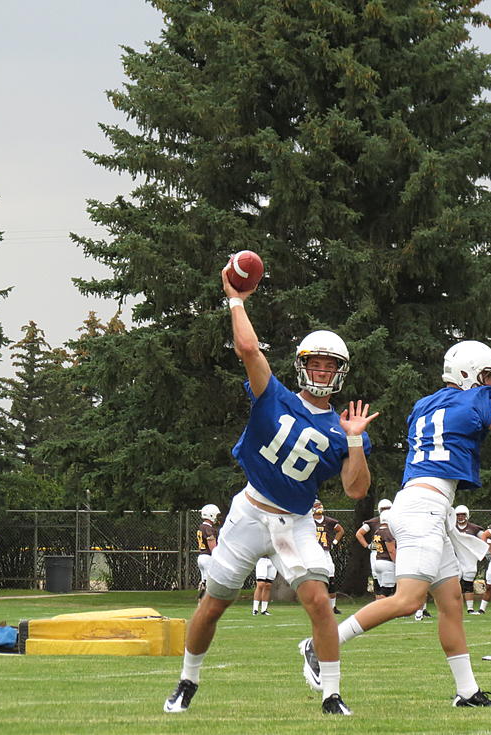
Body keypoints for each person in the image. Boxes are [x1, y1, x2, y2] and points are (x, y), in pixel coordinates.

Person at [301, 340, 491, 708]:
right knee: (407, 600)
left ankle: (467, 691)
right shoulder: (473, 401)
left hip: (425, 503)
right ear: (466, 373)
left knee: (450, 602)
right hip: (424, 508)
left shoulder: (423, 405)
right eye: (487, 376)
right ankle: (321, 643)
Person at [164, 268, 379, 716]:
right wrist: (236, 300)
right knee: (213, 604)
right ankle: (188, 680)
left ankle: (332, 694)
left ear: (340, 373)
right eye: (316, 362)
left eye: (330, 365)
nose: (322, 371)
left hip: (295, 522)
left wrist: (356, 440)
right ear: (302, 364)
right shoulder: (273, 394)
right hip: (248, 511)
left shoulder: (343, 429)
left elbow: (356, 488)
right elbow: (247, 347)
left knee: (320, 601)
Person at [313, 500, 345, 614]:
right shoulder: (308, 522)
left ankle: (333, 607)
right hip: (313, 553)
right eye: (316, 506)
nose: (319, 507)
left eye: (320, 505)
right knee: (316, 580)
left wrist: (334, 542)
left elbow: (340, 530)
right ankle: (318, 606)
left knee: (331, 579)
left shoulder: (329, 521)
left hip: (325, 552)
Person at [356, 498, 391, 597]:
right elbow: (359, 533)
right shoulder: (373, 522)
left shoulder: (395, 521)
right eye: (385, 508)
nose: (387, 511)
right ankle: (379, 602)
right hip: (378, 553)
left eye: (389, 508)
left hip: (389, 553)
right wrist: (367, 546)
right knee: (377, 579)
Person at [453, 505, 484, 614]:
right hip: (454, 558)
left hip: (469, 558)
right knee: (454, 583)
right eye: (458, 515)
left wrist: (484, 552)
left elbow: (484, 539)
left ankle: (470, 608)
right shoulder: (451, 527)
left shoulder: (474, 528)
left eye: (462, 515)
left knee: (468, 584)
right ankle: (454, 607)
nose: (460, 517)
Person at [196, 504, 221, 597]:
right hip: (207, 558)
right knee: (209, 584)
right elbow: (213, 547)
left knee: (204, 581)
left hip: (201, 556)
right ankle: (206, 604)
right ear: (211, 515)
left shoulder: (201, 527)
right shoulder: (209, 529)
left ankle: (200, 603)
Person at [372, 510, 397, 597]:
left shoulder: (377, 531)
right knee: (386, 590)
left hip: (378, 561)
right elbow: (391, 550)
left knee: (381, 589)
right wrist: (397, 562)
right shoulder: (387, 532)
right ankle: (381, 609)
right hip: (387, 563)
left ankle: (378, 608)